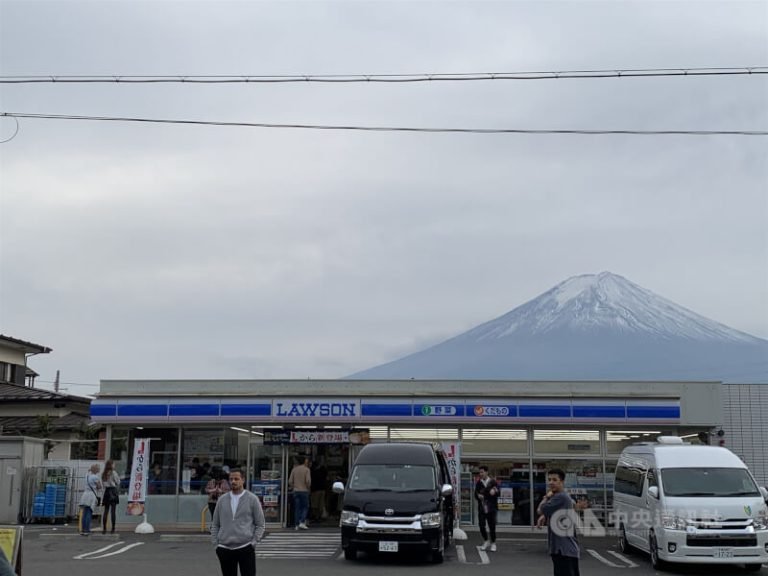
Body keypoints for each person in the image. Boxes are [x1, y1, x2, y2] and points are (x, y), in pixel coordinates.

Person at [211, 468, 265, 576]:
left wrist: (254, 542)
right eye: (231, 479)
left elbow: (260, 524)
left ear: (243, 480)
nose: (233, 482)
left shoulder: (252, 499)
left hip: (245, 547)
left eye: (236, 479)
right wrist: (216, 544)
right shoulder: (222, 500)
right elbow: (215, 524)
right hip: (224, 548)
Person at [536, 468, 583, 576]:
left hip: (563, 549)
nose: (551, 482)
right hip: (565, 549)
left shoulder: (560, 497)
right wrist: (544, 515)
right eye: (549, 479)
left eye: (554, 480)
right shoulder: (561, 496)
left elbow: (539, 509)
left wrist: (546, 497)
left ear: (561, 481)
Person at [474, 465, 499, 551]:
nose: (480, 474)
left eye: (482, 472)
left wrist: (494, 491)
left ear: (486, 472)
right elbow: (475, 494)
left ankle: (493, 543)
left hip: (491, 507)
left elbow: (498, 492)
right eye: (479, 472)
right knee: (481, 525)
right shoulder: (479, 483)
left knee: (492, 526)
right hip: (482, 507)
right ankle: (486, 540)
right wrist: (478, 496)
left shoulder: (492, 482)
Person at [288, 456, 311, 530]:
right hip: (304, 491)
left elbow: (290, 481)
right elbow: (308, 481)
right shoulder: (306, 470)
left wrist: (293, 487)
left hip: (296, 490)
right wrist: (308, 487)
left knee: (297, 508)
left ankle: (296, 525)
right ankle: (302, 521)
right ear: (304, 461)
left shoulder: (294, 470)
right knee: (305, 507)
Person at [79, 463, 103, 535]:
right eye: (98, 468)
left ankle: (83, 529)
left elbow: (88, 471)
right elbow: (99, 486)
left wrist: (89, 469)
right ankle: (87, 530)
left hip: (85, 494)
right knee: (89, 512)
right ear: (96, 470)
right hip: (91, 495)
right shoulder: (95, 477)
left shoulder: (87, 475)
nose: (99, 469)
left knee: (84, 512)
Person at [101, 459, 121, 533]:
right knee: (113, 511)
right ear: (111, 465)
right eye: (113, 464)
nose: (114, 465)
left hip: (106, 491)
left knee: (106, 511)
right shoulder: (113, 473)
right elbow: (118, 481)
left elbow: (103, 484)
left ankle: (104, 529)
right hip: (113, 491)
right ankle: (113, 528)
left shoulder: (104, 473)